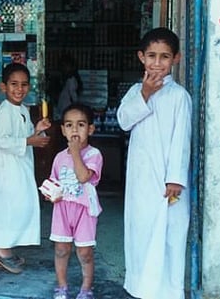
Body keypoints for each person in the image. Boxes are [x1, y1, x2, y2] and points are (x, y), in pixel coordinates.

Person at [116, 27, 192, 299]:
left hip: (169, 185)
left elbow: (181, 140)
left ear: (176, 59)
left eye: (164, 57)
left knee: (170, 238)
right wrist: (145, 94)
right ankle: (141, 289)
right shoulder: (136, 91)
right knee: (142, 234)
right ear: (141, 57)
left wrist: (175, 178)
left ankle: (169, 293)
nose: (157, 63)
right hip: (141, 181)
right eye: (151, 56)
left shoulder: (179, 96)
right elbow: (124, 121)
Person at [0, 62, 51, 274]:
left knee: (16, 207)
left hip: (19, 168)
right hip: (7, 170)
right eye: (14, 84)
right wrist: (30, 141)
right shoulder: (4, 111)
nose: (19, 89)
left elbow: (25, 134)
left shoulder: (21, 109)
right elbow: (2, 141)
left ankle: (5, 248)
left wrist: (37, 130)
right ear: (3, 87)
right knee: (6, 208)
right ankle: (0, 249)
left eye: (23, 84)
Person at [46, 103, 103, 299]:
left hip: (84, 210)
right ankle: (62, 287)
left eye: (80, 125)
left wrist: (76, 152)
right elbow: (54, 181)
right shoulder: (59, 157)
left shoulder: (94, 154)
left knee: (84, 252)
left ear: (90, 129)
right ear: (63, 130)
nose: (75, 130)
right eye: (69, 125)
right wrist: (50, 193)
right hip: (62, 209)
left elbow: (83, 176)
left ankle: (86, 289)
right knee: (61, 250)